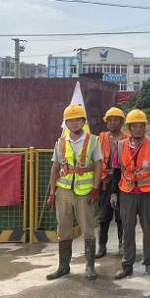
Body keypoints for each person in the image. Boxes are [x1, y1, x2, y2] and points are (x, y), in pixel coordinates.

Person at [46, 104, 102, 281]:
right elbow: (55, 168)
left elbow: (98, 165)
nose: (74, 123)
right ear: (66, 123)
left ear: (83, 121)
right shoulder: (61, 142)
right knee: (63, 228)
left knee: (88, 228)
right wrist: (52, 192)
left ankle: (90, 267)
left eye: (78, 119)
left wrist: (95, 188)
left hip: (85, 192)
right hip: (64, 191)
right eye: (71, 120)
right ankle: (63, 266)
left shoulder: (93, 141)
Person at [110, 109, 150, 279]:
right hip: (127, 192)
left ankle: (149, 262)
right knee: (127, 229)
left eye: (141, 126)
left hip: (147, 192)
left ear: (145, 127)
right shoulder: (120, 145)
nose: (138, 129)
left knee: (148, 228)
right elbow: (116, 172)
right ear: (129, 128)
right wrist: (114, 193)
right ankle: (127, 265)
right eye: (134, 126)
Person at [96, 107, 128, 258]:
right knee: (103, 217)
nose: (113, 123)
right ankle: (102, 246)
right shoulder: (101, 138)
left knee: (122, 216)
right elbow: (95, 159)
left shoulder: (128, 138)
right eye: (110, 120)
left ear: (122, 122)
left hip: (123, 182)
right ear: (106, 122)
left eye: (116, 120)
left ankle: (122, 245)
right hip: (106, 182)